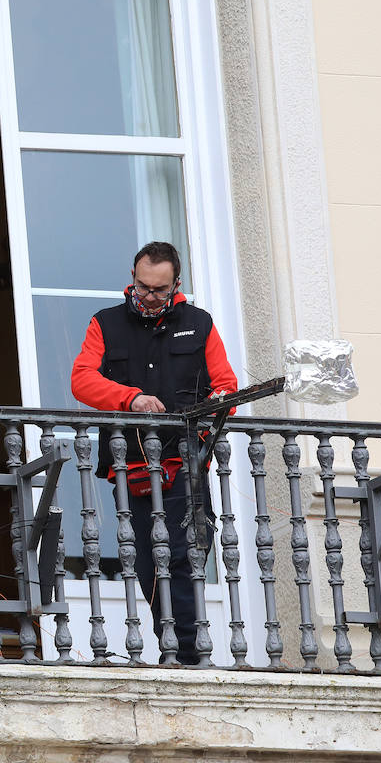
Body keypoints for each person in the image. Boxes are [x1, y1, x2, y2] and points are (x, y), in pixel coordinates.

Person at [70, 241, 237, 665]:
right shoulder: (105, 323)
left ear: (175, 286)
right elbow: (81, 380)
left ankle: (186, 654)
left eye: (158, 291)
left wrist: (210, 409)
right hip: (130, 466)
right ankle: (174, 647)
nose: (147, 297)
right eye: (141, 287)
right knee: (145, 560)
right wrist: (131, 399)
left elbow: (227, 389)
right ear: (132, 279)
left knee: (182, 555)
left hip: (183, 464)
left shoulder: (199, 323)